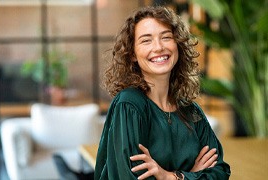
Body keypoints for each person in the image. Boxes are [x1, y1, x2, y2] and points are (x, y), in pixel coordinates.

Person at [95, 6, 230, 180]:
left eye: (166, 37)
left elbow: (220, 172)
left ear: (178, 45)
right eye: (146, 40)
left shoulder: (191, 110)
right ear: (132, 54)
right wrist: (194, 175)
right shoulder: (129, 104)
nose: (158, 47)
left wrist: (171, 177)